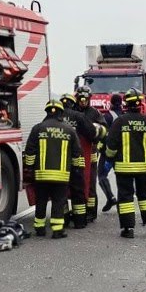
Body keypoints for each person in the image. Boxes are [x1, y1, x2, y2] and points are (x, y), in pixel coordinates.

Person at [104, 88, 146, 239]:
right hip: (144, 168)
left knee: (125, 197)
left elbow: (111, 144)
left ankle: (128, 229)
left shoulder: (120, 122)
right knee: (145, 195)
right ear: (140, 103)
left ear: (125, 104)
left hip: (124, 168)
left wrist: (109, 160)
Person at [23, 100, 84, 239]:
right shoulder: (69, 130)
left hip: (41, 175)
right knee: (58, 201)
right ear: (61, 112)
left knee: (41, 200)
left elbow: (30, 152)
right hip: (61, 175)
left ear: (47, 112)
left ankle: (39, 228)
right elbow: (77, 153)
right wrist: (76, 170)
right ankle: (57, 230)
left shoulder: (37, 128)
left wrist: (30, 169)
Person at [58, 93, 98, 228]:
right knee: (77, 190)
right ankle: (80, 221)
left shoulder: (53, 118)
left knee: (61, 191)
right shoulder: (79, 116)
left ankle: (63, 219)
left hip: (59, 162)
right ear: (72, 103)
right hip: (76, 161)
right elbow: (92, 133)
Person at [74, 86, 108, 221]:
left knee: (91, 184)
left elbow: (105, 131)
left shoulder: (95, 113)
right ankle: (78, 211)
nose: (83, 101)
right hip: (76, 153)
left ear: (89, 99)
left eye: (85, 99)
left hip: (91, 154)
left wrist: (96, 146)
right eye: (80, 99)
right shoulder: (73, 112)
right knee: (77, 184)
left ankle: (91, 212)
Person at [98, 93, 124, 212]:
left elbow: (103, 135)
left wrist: (99, 148)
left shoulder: (107, 116)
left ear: (111, 103)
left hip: (107, 153)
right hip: (122, 153)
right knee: (122, 178)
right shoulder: (125, 116)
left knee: (102, 175)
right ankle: (123, 203)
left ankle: (111, 198)